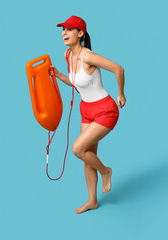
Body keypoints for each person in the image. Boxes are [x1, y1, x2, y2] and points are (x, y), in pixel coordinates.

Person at [51, 15, 126, 214]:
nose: (64, 33)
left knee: (78, 148)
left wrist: (121, 93)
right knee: (87, 156)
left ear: (80, 33)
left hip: (105, 110)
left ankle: (105, 171)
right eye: (63, 29)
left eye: (69, 29)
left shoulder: (88, 56)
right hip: (86, 110)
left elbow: (118, 69)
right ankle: (92, 201)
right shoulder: (68, 55)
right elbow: (76, 82)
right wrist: (59, 76)